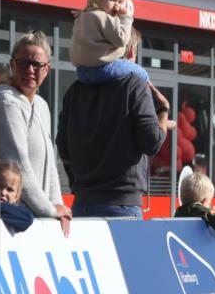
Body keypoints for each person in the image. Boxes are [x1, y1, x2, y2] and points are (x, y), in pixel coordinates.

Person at [0, 31, 71, 234]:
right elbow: (17, 165)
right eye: (23, 63)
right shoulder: (6, 104)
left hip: (31, 219)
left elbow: (49, 164)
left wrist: (58, 205)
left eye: (37, 65)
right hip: (5, 221)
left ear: (47, 69)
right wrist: (49, 209)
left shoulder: (40, 105)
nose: (30, 70)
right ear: (12, 65)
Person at [57, 31, 172, 219]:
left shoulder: (75, 90)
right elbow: (152, 142)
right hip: (122, 205)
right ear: (131, 51)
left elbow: (63, 149)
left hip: (82, 203)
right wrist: (163, 110)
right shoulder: (134, 85)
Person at [71, 0, 149, 84]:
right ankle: (155, 100)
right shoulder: (103, 17)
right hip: (102, 69)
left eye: (120, 2)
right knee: (142, 74)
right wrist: (126, 16)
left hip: (82, 72)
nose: (117, 6)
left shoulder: (81, 18)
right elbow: (122, 39)